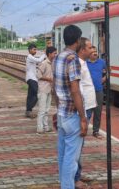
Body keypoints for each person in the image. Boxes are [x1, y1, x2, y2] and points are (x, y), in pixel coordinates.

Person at [52, 25, 87, 189]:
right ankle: (67, 186)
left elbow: (54, 87)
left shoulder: (58, 57)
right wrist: (83, 118)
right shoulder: (73, 59)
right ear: (78, 40)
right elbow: (75, 90)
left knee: (63, 153)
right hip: (72, 114)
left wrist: (57, 109)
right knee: (71, 157)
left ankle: (64, 184)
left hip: (61, 113)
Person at [74, 37, 96, 188]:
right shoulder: (78, 65)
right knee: (77, 145)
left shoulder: (83, 63)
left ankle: (78, 174)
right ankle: (75, 178)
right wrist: (82, 114)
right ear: (82, 50)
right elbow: (76, 90)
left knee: (80, 144)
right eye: (89, 47)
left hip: (88, 107)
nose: (92, 50)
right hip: (84, 108)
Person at [36, 46, 57, 134]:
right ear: (49, 54)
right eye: (54, 53)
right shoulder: (44, 63)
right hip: (43, 89)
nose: (55, 54)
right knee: (42, 109)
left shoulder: (53, 63)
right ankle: (39, 128)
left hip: (49, 89)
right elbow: (38, 75)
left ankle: (46, 126)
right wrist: (49, 79)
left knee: (47, 109)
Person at [86, 46, 106, 139]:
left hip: (98, 90)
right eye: (93, 51)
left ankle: (96, 131)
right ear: (89, 53)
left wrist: (104, 78)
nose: (95, 53)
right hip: (88, 90)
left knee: (98, 111)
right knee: (87, 110)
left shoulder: (101, 62)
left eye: (96, 51)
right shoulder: (85, 63)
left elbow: (109, 70)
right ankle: (84, 128)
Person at [25, 43, 46, 118]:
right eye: (34, 49)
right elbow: (39, 60)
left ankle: (28, 111)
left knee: (30, 95)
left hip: (32, 78)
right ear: (30, 50)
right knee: (35, 95)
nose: (35, 51)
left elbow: (38, 60)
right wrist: (44, 53)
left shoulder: (31, 57)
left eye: (36, 49)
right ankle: (29, 109)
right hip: (31, 79)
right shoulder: (30, 56)